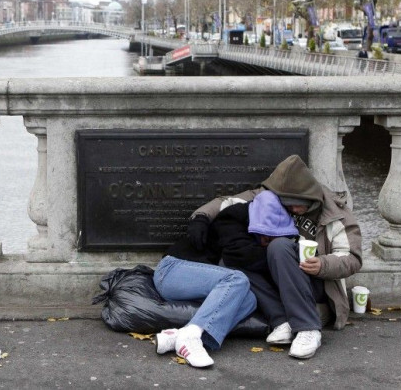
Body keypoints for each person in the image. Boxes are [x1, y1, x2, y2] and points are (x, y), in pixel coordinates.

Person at [190, 155, 363, 359]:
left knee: (280, 246)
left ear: (311, 198)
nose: (293, 210)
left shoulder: (335, 214)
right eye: (287, 205)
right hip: (277, 278)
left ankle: (308, 328)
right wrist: (200, 217)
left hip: (315, 283)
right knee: (232, 259)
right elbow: (227, 202)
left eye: (298, 205)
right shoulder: (271, 196)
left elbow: (353, 258)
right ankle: (283, 321)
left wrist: (323, 264)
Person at [152, 190, 300, 368]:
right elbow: (238, 256)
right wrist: (288, 258)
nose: (266, 243)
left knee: (250, 300)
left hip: (199, 281)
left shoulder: (257, 231)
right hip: (171, 271)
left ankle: (184, 335)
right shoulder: (231, 221)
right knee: (237, 279)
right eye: (267, 237)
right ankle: (189, 338)